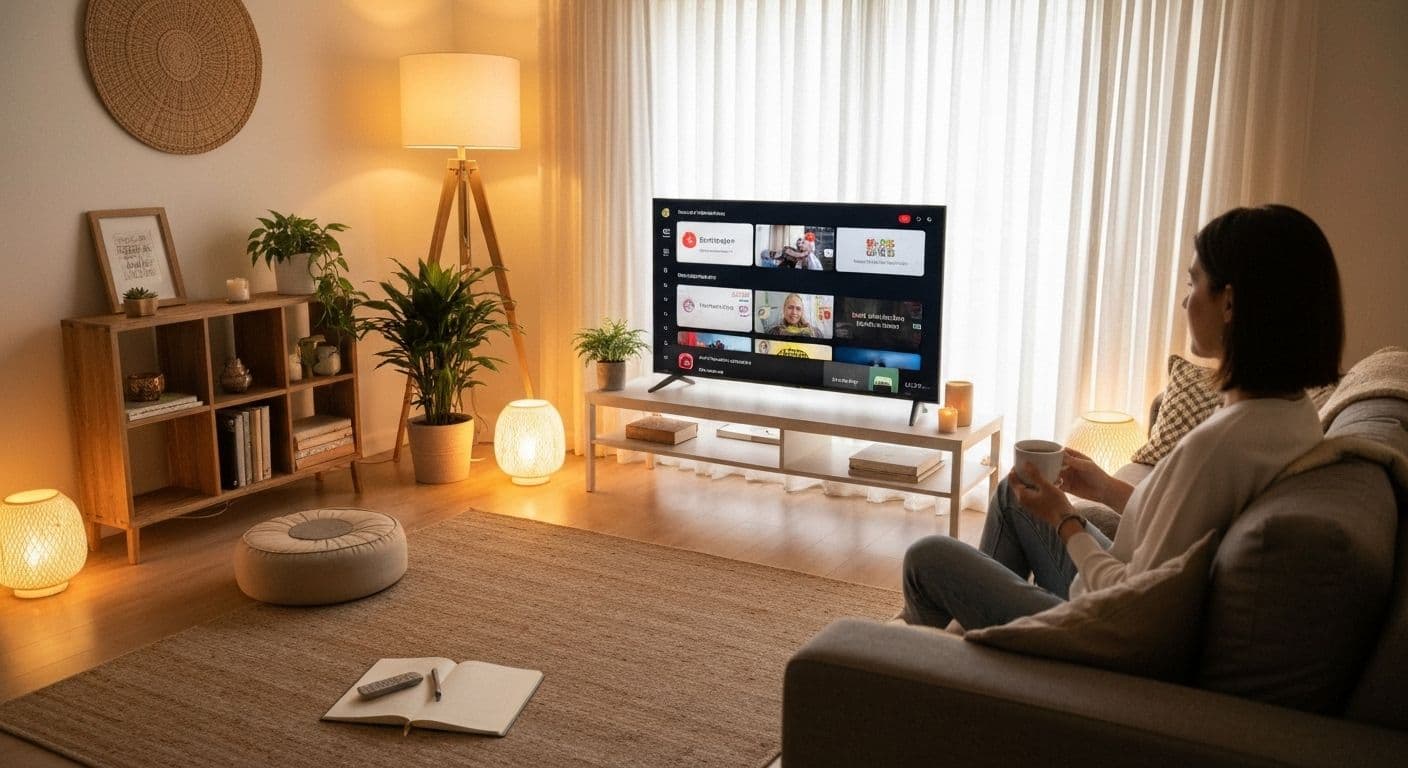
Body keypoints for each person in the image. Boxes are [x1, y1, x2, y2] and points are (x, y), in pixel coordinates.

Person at [901, 204, 1345, 631]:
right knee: (1011, 495)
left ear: (1229, 304)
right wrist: (1105, 488)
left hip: (1098, 625)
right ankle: (972, 650)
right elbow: (1179, 522)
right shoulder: (1292, 413)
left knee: (926, 557)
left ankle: (937, 662)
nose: (1185, 301)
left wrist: (1065, 518)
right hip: (1117, 597)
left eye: (1193, 283)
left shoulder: (1218, 447)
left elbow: (1127, 603)